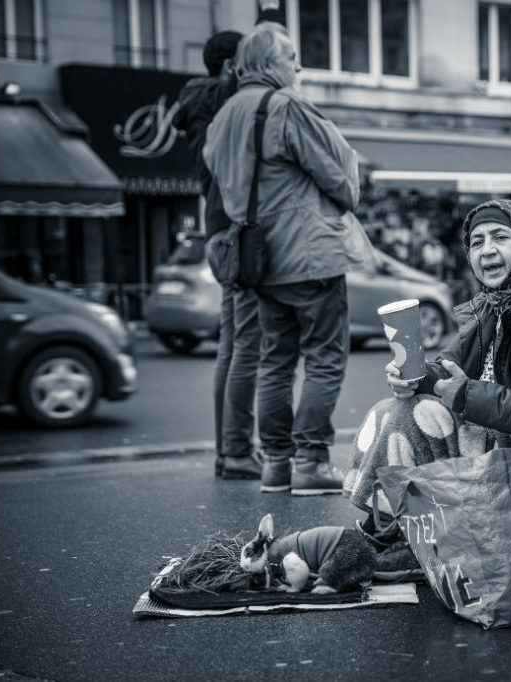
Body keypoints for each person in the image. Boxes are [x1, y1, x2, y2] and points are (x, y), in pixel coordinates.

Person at [343, 199, 511, 544]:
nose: (487, 250)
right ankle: (394, 530)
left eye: (500, 237)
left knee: (412, 418)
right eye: (477, 242)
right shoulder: (493, 304)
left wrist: (465, 395)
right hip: (501, 441)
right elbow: (445, 371)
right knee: (394, 408)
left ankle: (386, 534)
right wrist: (413, 376)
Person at [203, 24, 362, 495]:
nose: (297, 66)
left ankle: (276, 464)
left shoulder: (223, 116)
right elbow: (336, 177)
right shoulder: (285, 106)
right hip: (309, 253)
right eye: (290, 57)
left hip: (261, 261)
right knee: (325, 359)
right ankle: (311, 461)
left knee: (275, 362)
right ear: (267, 64)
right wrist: (350, 191)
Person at [173, 30, 263, 480]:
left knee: (232, 346)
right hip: (232, 228)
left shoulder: (197, 99)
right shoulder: (223, 100)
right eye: (247, 63)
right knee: (245, 344)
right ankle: (236, 451)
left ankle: (229, 451)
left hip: (215, 227)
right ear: (230, 68)